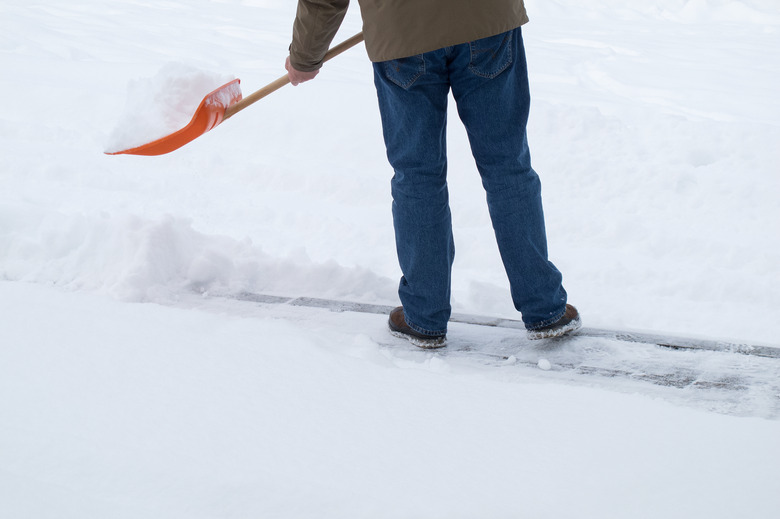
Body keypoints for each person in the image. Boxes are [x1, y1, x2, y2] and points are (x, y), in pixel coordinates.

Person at [286, 0, 581, 348]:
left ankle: (424, 317)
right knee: (507, 166)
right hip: (484, 21)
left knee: (418, 175)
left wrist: (305, 55)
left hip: (403, 32)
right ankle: (545, 308)